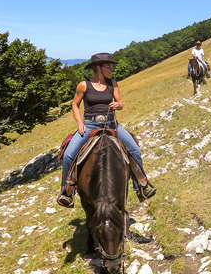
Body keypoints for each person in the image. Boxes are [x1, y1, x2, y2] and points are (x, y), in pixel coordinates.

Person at [57, 52, 155, 207]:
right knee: (69, 155)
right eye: (108, 66)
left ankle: (141, 187)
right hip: (89, 126)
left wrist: (118, 105)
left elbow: (120, 102)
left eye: (111, 66)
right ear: (98, 68)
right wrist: (79, 123)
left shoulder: (112, 83)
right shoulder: (84, 85)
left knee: (135, 150)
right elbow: (75, 104)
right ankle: (67, 192)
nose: (111, 69)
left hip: (111, 124)